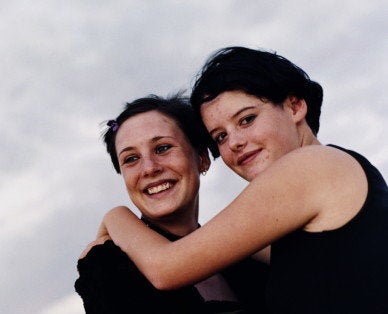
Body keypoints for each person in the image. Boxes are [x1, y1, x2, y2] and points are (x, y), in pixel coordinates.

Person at [90, 47, 388, 313]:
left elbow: (167, 267)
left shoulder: (312, 166)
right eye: (220, 136)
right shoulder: (309, 214)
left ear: (295, 106)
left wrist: (116, 217)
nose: (234, 142)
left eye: (247, 119)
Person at [75, 94, 269, 313]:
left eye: (162, 148)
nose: (149, 168)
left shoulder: (246, 256)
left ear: (202, 158)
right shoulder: (107, 263)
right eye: (131, 159)